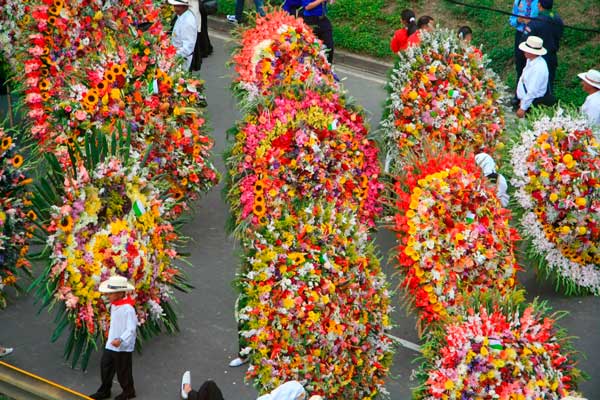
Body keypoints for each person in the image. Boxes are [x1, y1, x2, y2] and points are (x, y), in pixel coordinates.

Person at [89, 276, 138, 400]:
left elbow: (131, 329)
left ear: (120, 293)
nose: (108, 295)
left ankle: (128, 391)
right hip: (112, 343)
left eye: (111, 293)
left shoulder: (128, 309)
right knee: (105, 366)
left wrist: (121, 339)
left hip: (122, 346)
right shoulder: (114, 305)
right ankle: (105, 390)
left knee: (123, 371)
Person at [524, 0, 563, 94]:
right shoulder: (558, 19)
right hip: (552, 56)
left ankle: (529, 106)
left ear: (539, 5)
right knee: (549, 84)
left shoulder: (535, 22)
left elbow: (524, 40)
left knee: (534, 85)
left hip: (536, 57)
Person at [515, 36, 550, 118]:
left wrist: (523, 108)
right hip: (526, 100)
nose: (524, 52)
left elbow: (533, 91)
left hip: (532, 103)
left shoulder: (538, 68)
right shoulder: (530, 60)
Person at [509, 0, 539, 84]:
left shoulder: (539, 3)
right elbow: (512, 20)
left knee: (532, 63)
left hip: (534, 35)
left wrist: (531, 23)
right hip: (520, 34)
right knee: (520, 62)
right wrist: (518, 20)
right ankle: (519, 88)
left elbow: (543, 21)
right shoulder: (518, 2)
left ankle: (531, 87)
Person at [170, 0, 198, 71]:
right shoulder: (182, 15)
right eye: (174, 6)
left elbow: (188, 48)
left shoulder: (188, 22)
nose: (175, 9)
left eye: (177, 6)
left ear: (184, 6)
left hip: (181, 59)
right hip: (176, 55)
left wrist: (172, 56)